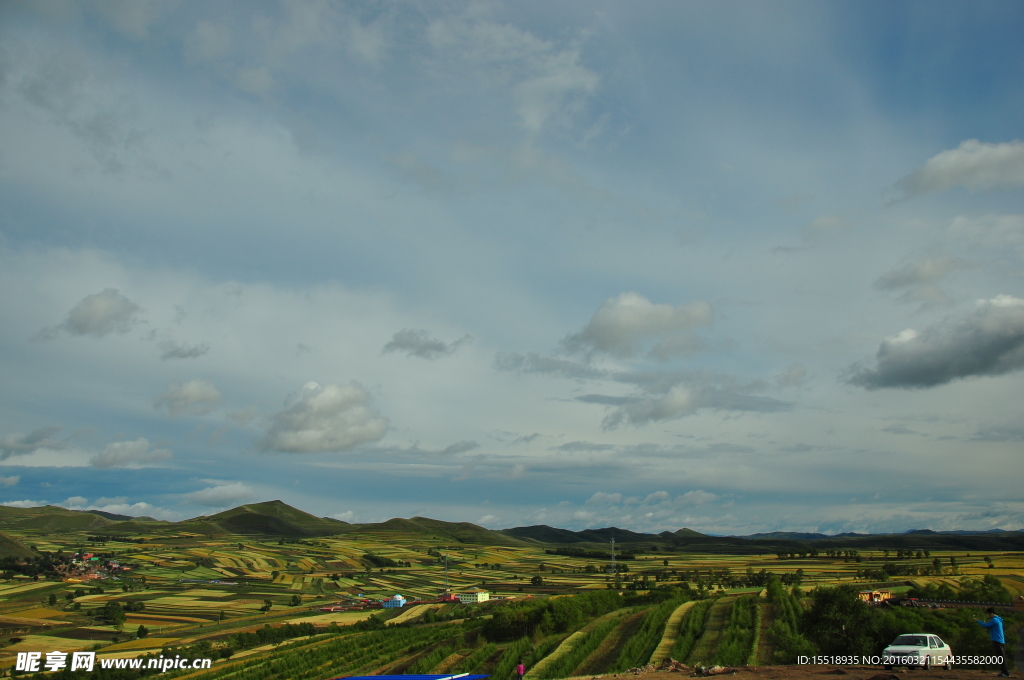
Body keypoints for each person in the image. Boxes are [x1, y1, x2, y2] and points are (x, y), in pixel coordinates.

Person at [977, 607, 1009, 677]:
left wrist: (978, 621)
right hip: (1000, 640)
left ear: (991, 613)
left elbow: (985, 625)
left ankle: (1005, 672)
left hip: (997, 640)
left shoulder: (994, 620)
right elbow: (989, 627)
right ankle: (1004, 671)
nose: (988, 616)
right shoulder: (998, 620)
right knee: (1000, 657)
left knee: (1001, 657)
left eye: (988, 614)